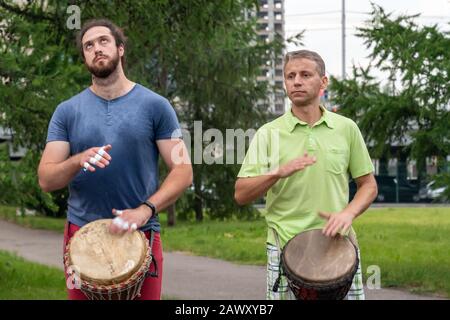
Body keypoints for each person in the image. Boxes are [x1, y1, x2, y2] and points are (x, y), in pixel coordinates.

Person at [37, 19, 193, 300]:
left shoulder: (156, 106)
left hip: (140, 235)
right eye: (88, 45)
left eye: (103, 41)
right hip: (81, 240)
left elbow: (183, 171)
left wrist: (145, 210)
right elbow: (46, 179)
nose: (96, 48)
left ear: (120, 49)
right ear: (84, 57)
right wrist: (77, 160)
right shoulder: (67, 112)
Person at [234, 50, 377, 300]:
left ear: (323, 82)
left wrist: (348, 213)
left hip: (338, 247)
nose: (296, 81)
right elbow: (241, 194)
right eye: (290, 76)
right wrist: (276, 173)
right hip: (285, 247)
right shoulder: (268, 134)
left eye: (305, 74)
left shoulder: (346, 128)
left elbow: (367, 185)